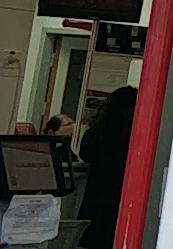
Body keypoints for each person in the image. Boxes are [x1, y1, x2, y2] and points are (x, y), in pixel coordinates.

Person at [74, 87, 137, 249]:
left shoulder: (97, 132)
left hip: (96, 198)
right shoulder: (135, 135)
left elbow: (85, 154)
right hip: (123, 199)